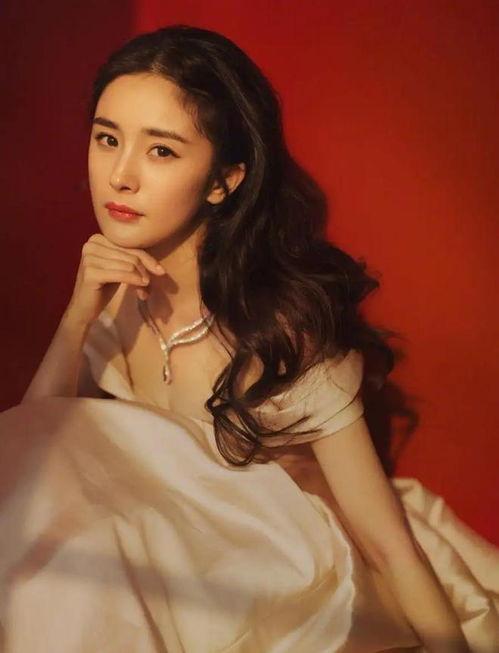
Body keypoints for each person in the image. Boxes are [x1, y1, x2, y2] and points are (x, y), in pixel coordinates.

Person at [0, 24, 497, 653]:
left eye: (161, 151)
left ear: (223, 181)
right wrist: (77, 316)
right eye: (107, 139)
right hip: (167, 571)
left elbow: (385, 543)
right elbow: (29, 458)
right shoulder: (117, 295)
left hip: (286, 580)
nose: (120, 176)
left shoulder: (281, 329)